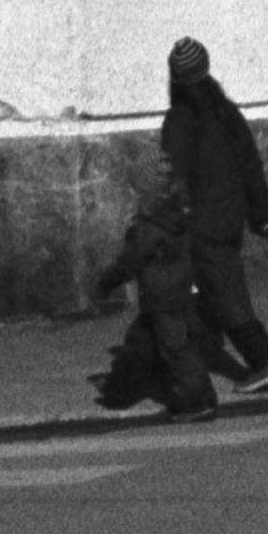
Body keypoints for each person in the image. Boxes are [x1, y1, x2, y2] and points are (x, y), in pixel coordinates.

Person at [161, 37, 268, 392]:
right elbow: (251, 164)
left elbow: (172, 176)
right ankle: (185, 357)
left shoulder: (181, 119)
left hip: (202, 223)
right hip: (230, 218)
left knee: (224, 295)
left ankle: (262, 364)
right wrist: (261, 213)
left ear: (175, 79)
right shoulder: (226, 111)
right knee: (204, 292)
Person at [92, 178, 214, 417]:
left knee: (176, 350)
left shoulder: (148, 227)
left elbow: (130, 263)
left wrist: (105, 283)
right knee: (140, 340)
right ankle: (119, 390)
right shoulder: (176, 215)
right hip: (179, 291)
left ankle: (202, 401)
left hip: (162, 298)